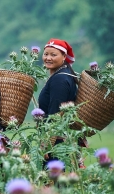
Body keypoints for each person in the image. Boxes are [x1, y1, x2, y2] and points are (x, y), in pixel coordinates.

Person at [38, 38, 81, 169]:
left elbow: (56, 114)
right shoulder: (63, 75)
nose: (48, 58)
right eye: (46, 54)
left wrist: (47, 143)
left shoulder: (60, 79)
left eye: (53, 55)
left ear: (64, 57)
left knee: (52, 182)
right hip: (59, 140)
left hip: (56, 143)